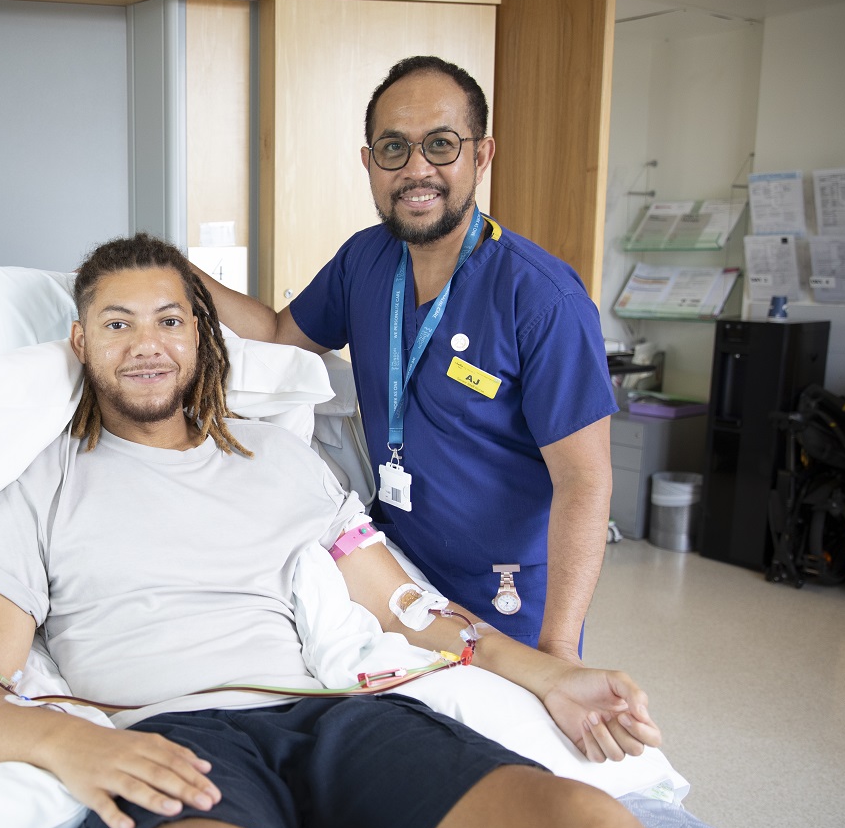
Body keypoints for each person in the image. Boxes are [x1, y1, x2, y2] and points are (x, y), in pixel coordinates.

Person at [0, 235, 727, 828]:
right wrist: (69, 743)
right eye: (118, 323)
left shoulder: (279, 462)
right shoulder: (36, 482)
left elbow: (406, 609)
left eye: (170, 320)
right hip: (169, 739)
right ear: (79, 341)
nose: (148, 345)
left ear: (203, 336)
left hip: (334, 724)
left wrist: (554, 673)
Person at [196, 56, 616, 663]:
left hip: (508, 594)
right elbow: (279, 334)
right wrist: (175, 273)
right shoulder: (364, 261)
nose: (417, 169)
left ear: (482, 155)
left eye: (441, 145)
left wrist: (557, 651)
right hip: (393, 574)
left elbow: (584, 480)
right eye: (394, 147)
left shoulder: (543, 299)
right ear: (369, 162)